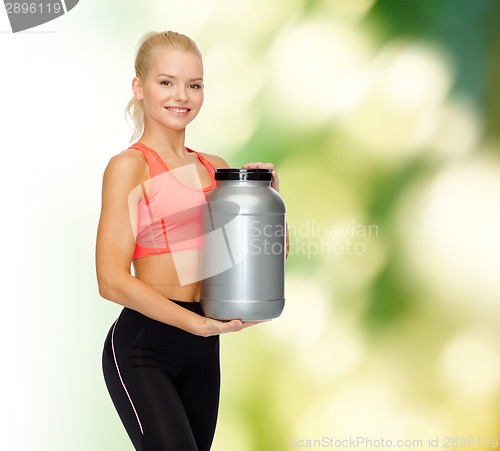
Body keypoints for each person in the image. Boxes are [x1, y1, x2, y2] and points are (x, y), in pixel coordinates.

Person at [96, 31, 285, 451]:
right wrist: (196, 323)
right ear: (139, 87)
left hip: (202, 349)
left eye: (194, 85)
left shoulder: (216, 170)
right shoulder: (130, 166)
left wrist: (268, 195)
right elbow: (110, 280)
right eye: (166, 82)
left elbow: (265, 255)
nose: (181, 95)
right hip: (145, 346)